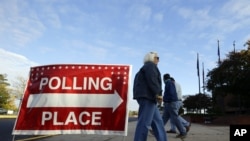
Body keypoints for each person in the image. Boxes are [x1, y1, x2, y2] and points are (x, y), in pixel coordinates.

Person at [133, 51, 167, 141]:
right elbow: (153, 81)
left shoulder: (144, 68)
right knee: (144, 123)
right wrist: (159, 94)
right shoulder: (150, 66)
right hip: (148, 97)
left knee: (158, 122)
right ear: (152, 58)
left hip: (147, 97)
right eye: (157, 58)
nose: (158, 60)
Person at [162, 73, 187, 139]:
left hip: (171, 102)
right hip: (172, 102)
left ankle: (183, 131)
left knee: (175, 117)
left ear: (164, 78)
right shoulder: (171, 83)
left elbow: (171, 93)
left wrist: (165, 99)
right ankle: (157, 130)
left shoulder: (169, 83)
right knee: (165, 117)